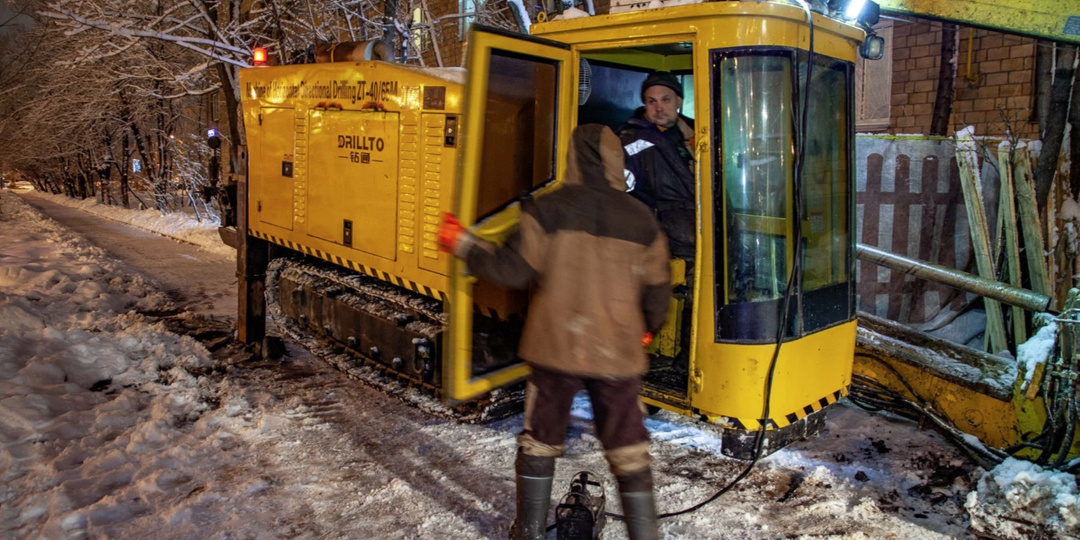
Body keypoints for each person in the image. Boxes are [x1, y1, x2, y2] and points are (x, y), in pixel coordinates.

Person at [438, 124, 671, 540]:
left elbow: (511, 269)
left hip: (555, 348)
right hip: (616, 352)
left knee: (541, 439)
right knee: (628, 447)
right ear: (618, 160)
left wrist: (464, 244)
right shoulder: (642, 219)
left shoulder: (549, 208)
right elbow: (657, 292)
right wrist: (645, 330)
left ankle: (528, 531)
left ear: (572, 158)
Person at [618, 70, 696, 265]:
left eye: (665, 100)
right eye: (652, 101)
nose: (659, 108)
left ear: (679, 102)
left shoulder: (695, 131)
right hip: (668, 245)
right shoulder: (631, 140)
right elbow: (621, 194)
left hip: (701, 237)